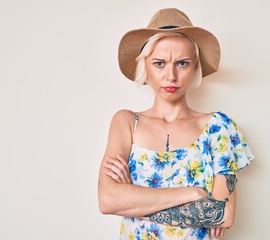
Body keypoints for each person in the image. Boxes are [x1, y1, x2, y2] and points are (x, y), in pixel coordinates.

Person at [98, 8, 254, 240]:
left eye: (182, 63)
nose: (171, 75)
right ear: (146, 66)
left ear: (194, 68)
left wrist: (133, 200)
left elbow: (224, 214)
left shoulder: (218, 127)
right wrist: (192, 193)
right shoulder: (127, 122)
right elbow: (108, 200)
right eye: (159, 63)